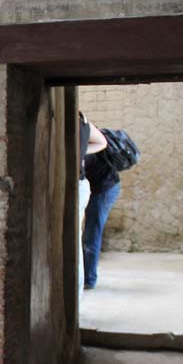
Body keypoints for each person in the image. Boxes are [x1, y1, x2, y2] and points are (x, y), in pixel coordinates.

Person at [82, 128, 120, 290]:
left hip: (104, 189)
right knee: (90, 233)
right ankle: (87, 276)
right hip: (101, 186)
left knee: (92, 233)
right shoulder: (83, 138)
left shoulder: (83, 139)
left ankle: (89, 279)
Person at [78, 114, 107, 296]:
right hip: (83, 185)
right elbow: (101, 142)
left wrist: (80, 151)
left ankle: (84, 283)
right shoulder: (83, 120)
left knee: (88, 235)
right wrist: (81, 151)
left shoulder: (76, 121)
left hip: (83, 185)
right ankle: (80, 288)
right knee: (78, 239)